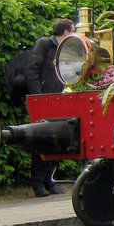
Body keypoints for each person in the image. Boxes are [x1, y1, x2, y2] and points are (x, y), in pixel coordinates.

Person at [25, 18, 74, 196]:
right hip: (44, 98)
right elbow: (32, 70)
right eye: (73, 30)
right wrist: (39, 96)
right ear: (67, 32)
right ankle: (38, 182)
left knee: (56, 138)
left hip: (57, 98)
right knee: (40, 138)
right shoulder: (45, 44)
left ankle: (49, 180)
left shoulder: (65, 49)